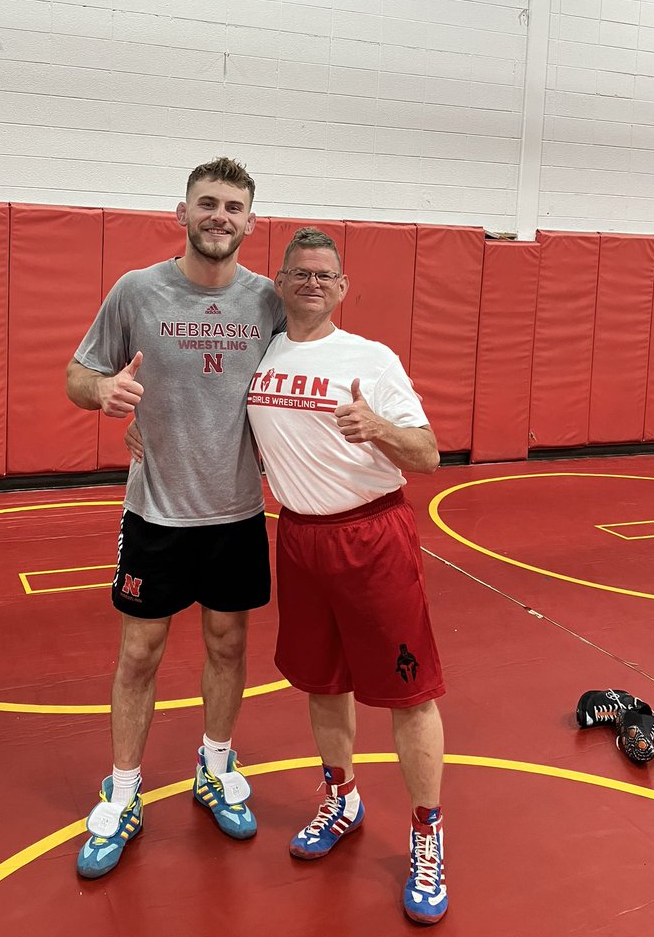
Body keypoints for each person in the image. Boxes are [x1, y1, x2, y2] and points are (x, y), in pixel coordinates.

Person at [66, 157, 283, 879]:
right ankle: (124, 790)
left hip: (236, 512)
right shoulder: (137, 290)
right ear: (182, 212)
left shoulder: (269, 302)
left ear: (252, 223)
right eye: (208, 204)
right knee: (139, 655)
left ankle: (215, 767)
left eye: (234, 207)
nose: (220, 216)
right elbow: (78, 372)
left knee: (226, 644)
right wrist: (100, 394)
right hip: (156, 510)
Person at [246, 226, 448, 927]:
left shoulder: (371, 359)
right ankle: (343, 798)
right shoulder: (262, 354)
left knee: (408, 694)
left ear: (342, 288)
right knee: (322, 682)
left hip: (372, 537)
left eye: (324, 276)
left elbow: (428, 455)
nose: (311, 283)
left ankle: (426, 833)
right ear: (279, 281)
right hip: (298, 537)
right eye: (299, 273)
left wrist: (378, 428)